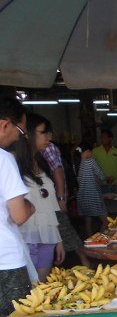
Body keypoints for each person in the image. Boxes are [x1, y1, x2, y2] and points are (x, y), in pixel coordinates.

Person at [0, 95, 46, 317]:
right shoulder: (3, 159)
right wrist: (28, 206)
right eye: (20, 130)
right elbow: (18, 214)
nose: (20, 137)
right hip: (5, 258)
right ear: (5, 124)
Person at [10, 116, 64, 281]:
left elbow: (49, 204)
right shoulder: (13, 163)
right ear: (28, 134)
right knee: (30, 288)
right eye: (43, 133)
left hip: (47, 236)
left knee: (42, 286)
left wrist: (58, 240)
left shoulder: (42, 161)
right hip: (25, 236)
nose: (49, 138)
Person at [32, 114, 88, 267]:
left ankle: (85, 262)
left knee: (65, 231)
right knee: (57, 234)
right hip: (45, 204)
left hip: (53, 201)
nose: (49, 137)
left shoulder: (48, 148)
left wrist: (61, 198)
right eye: (44, 133)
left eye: (48, 133)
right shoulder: (30, 154)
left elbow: (58, 171)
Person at [75, 141, 108, 237]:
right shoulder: (90, 161)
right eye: (91, 151)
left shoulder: (76, 163)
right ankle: (98, 240)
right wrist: (104, 178)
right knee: (105, 220)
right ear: (87, 151)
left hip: (82, 197)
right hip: (93, 196)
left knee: (88, 220)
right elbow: (101, 175)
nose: (92, 154)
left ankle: (89, 241)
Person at [92, 128, 117, 194]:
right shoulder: (95, 151)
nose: (102, 139)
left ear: (110, 139)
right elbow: (92, 167)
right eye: (101, 137)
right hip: (101, 184)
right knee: (102, 201)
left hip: (115, 184)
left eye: (104, 137)